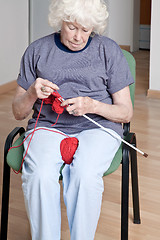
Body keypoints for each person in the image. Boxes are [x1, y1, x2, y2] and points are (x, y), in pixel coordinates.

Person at [12, 0, 134, 239]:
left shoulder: (108, 50)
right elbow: (18, 112)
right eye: (72, 27)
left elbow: (125, 113)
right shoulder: (37, 50)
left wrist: (93, 105)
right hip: (48, 126)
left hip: (98, 127)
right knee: (39, 175)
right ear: (60, 21)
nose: (78, 37)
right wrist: (31, 93)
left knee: (85, 174)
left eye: (86, 30)